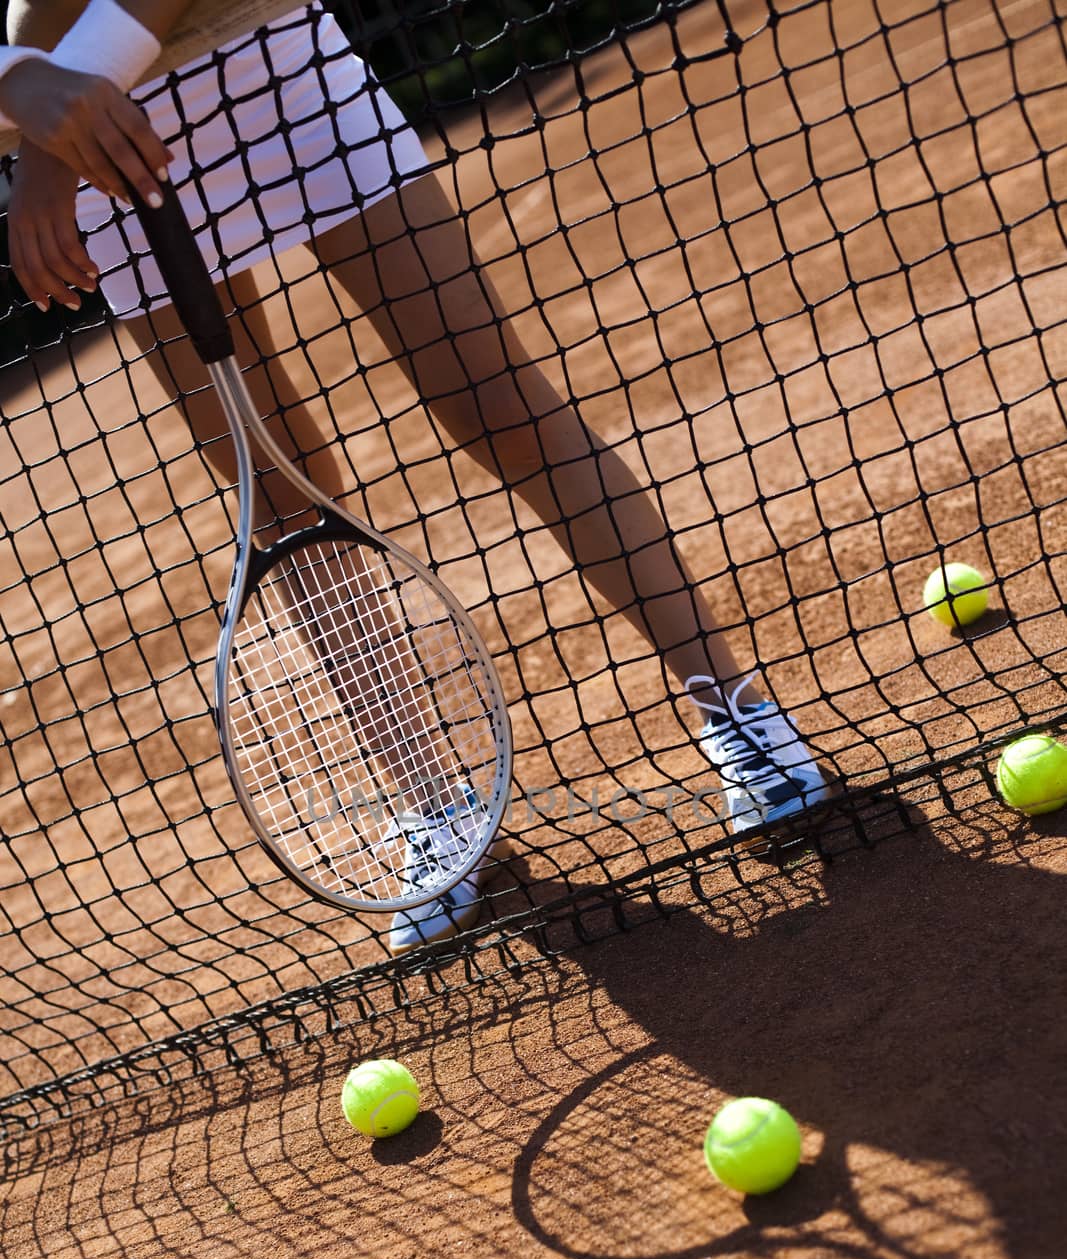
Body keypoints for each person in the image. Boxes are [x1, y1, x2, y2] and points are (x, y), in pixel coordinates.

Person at [0, 0, 829, 952]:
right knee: (277, 500)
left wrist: (42, 141)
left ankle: (733, 710)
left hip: (264, 69)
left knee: (496, 403)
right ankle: (435, 808)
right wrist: (25, 92)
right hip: (82, 133)